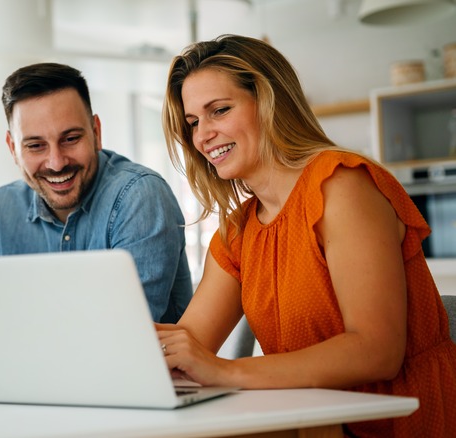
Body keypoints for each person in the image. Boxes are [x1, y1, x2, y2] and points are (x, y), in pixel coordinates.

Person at [157, 34, 456, 437]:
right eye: (193, 122)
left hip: (398, 422)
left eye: (220, 111)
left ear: (270, 103)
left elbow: (377, 350)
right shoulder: (238, 231)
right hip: (312, 419)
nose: (202, 135)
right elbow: (188, 343)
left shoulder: (342, 187)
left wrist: (227, 371)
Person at [0, 62, 193, 372]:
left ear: (96, 133)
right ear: (13, 148)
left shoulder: (140, 196)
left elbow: (125, 342)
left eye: (70, 139)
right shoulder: (1, 209)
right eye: (35, 145)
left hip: (141, 397)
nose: (56, 163)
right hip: (39, 395)